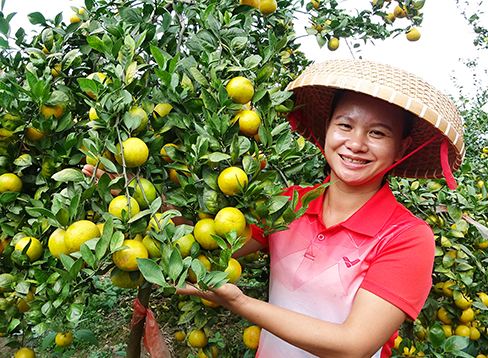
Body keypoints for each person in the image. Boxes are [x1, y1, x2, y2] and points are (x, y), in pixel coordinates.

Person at [176, 59, 465, 357]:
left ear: (401, 149)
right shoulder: (290, 204)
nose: (356, 143)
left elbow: (354, 345)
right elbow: (212, 241)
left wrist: (241, 303)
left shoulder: (407, 237)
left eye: (377, 133)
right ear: (327, 129)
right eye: (345, 125)